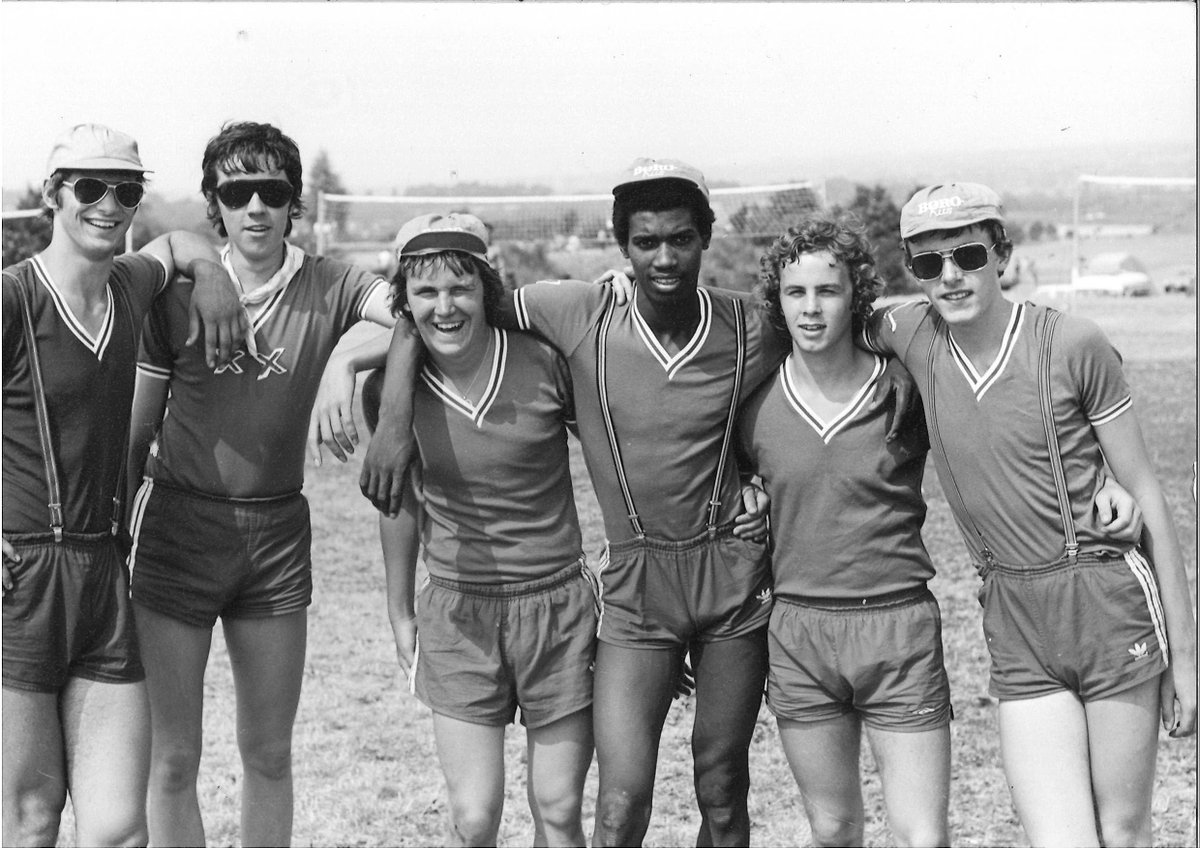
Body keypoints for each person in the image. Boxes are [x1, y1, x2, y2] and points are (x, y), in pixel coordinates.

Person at [362, 158, 904, 847]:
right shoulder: (579, 313)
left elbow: (837, 327)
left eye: (680, 238)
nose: (665, 256)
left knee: (721, 787)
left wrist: (890, 360)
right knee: (619, 804)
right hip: (633, 586)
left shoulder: (748, 325)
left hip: (728, 580)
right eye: (646, 242)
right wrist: (384, 409)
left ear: (706, 236)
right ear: (623, 247)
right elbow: (432, 307)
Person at [864, 182, 1197, 846]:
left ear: (1004, 254)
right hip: (1014, 612)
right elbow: (836, 307)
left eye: (968, 255)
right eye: (928, 264)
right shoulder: (912, 334)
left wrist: (1186, 662)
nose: (951, 275)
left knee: (1123, 831)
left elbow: (1148, 495)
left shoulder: (1073, 342)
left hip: (1105, 596)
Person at [124, 121, 416, 847]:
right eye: (237, 192)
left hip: (275, 533)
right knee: (173, 759)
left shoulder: (331, 282)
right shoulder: (179, 290)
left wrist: (348, 363)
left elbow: (426, 314)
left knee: (269, 753)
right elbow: (136, 430)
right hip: (179, 526)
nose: (256, 206)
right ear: (214, 205)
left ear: (295, 205)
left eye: (273, 192)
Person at [2, 122, 247, 847]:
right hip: (22, 580)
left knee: (115, 828)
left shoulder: (130, 286)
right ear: (54, 195)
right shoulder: (15, 299)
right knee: (30, 820)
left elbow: (179, 247)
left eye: (128, 190)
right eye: (91, 187)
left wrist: (214, 278)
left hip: (106, 571)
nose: (110, 204)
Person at [356, 212, 599, 846]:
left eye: (460, 287)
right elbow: (398, 501)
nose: (445, 307)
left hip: (557, 605)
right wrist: (399, 608)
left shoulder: (544, 361)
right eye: (426, 292)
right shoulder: (392, 388)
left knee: (559, 807)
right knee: (473, 818)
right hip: (459, 612)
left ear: (486, 288)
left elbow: (615, 452)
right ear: (404, 303)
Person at [737, 214, 952, 846]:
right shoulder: (754, 402)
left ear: (856, 294)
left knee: (922, 835)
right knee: (832, 829)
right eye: (795, 292)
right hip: (801, 631)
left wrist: (1101, 474)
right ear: (777, 299)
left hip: (896, 627)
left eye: (827, 291)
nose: (810, 308)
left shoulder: (904, 385)